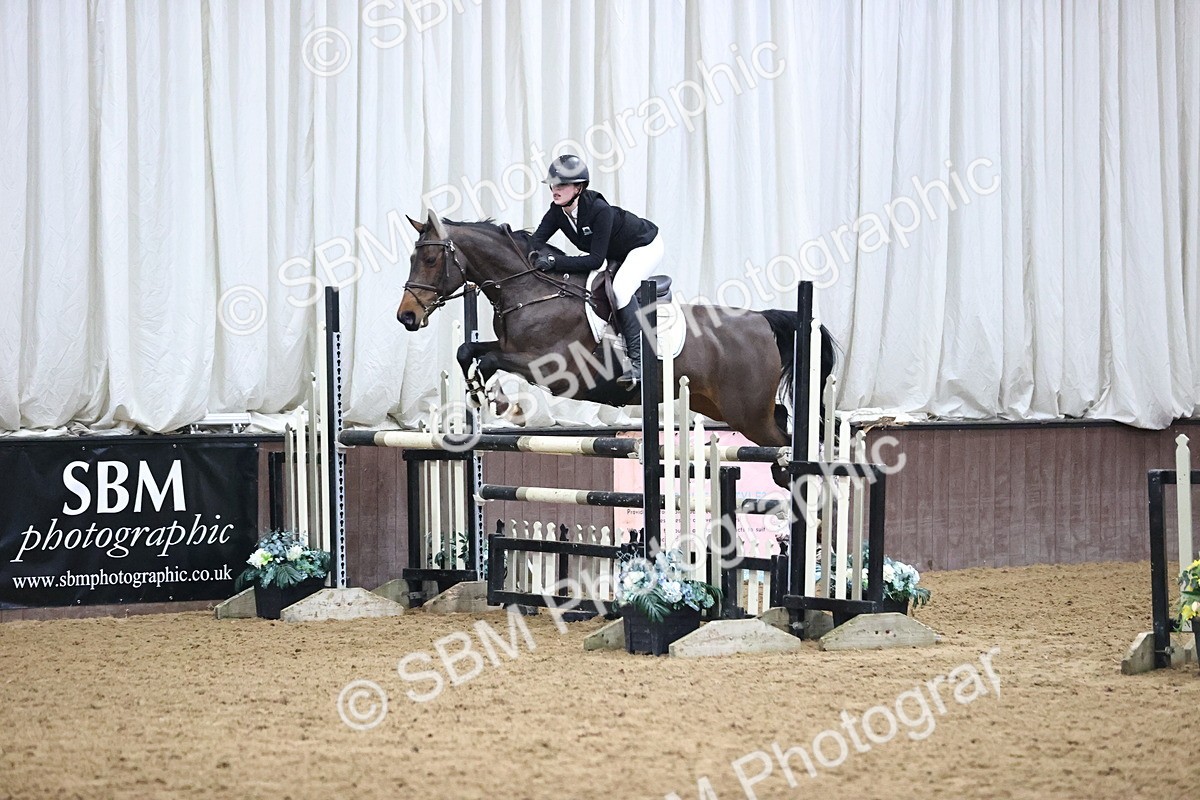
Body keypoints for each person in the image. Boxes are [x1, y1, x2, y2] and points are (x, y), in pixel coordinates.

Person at [527, 154, 662, 388]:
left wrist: (555, 262)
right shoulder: (557, 211)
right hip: (617, 251)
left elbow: (594, 260)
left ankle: (640, 364)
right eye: (553, 185)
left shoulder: (600, 211)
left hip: (644, 246)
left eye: (561, 185)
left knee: (620, 291)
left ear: (579, 187)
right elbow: (535, 241)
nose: (554, 190)